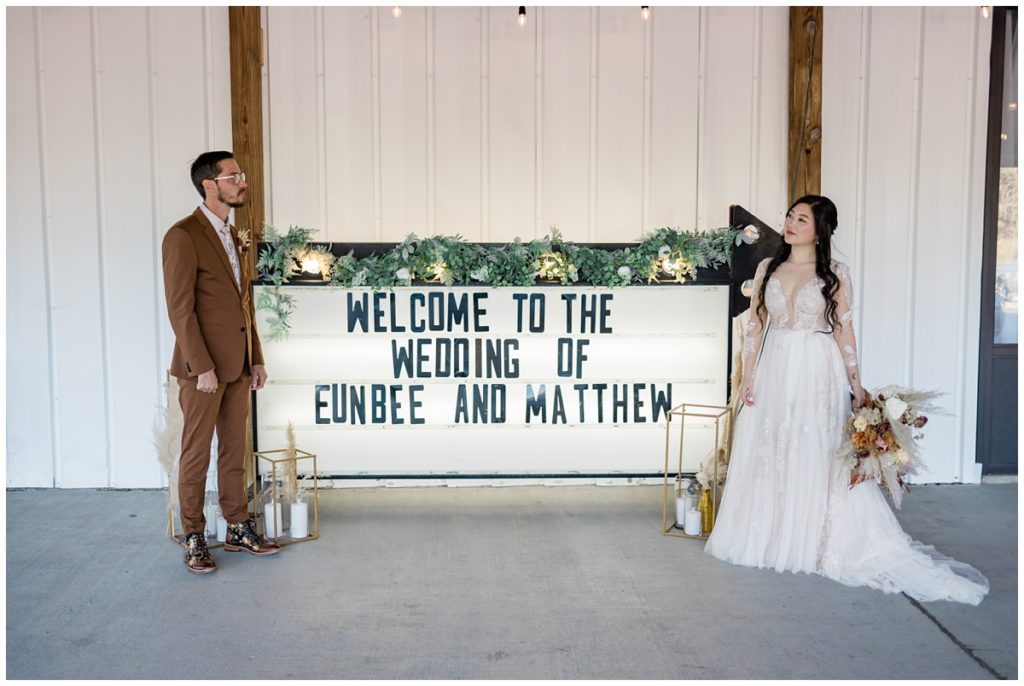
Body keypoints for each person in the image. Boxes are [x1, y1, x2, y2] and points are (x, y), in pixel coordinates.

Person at [705, 195, 988, 605]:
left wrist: (856, 384)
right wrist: (748, 376)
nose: (790, 223)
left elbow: (845, 332)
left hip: (817, 370)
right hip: (776, 367)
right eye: (790, 216)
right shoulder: (768, 268)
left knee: (813, 450)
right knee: (771, 447)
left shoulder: (836, 273)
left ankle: (812, 538)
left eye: (801, 219)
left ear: (819, 230)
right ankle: (767, 535)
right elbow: (754, 327)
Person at [163, 150, 280, 574]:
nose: (241, 182)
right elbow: (181, 309)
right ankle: (193, 534)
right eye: (234, 176)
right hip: (203, 370)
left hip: (239, 365)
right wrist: (202, 366)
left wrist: (257, 358)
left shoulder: (233, 235)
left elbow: (243, 304)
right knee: (196, 454)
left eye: (241, 175)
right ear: (209, 184)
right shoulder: (182, 235)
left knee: (234, 450)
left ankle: (236, 525)